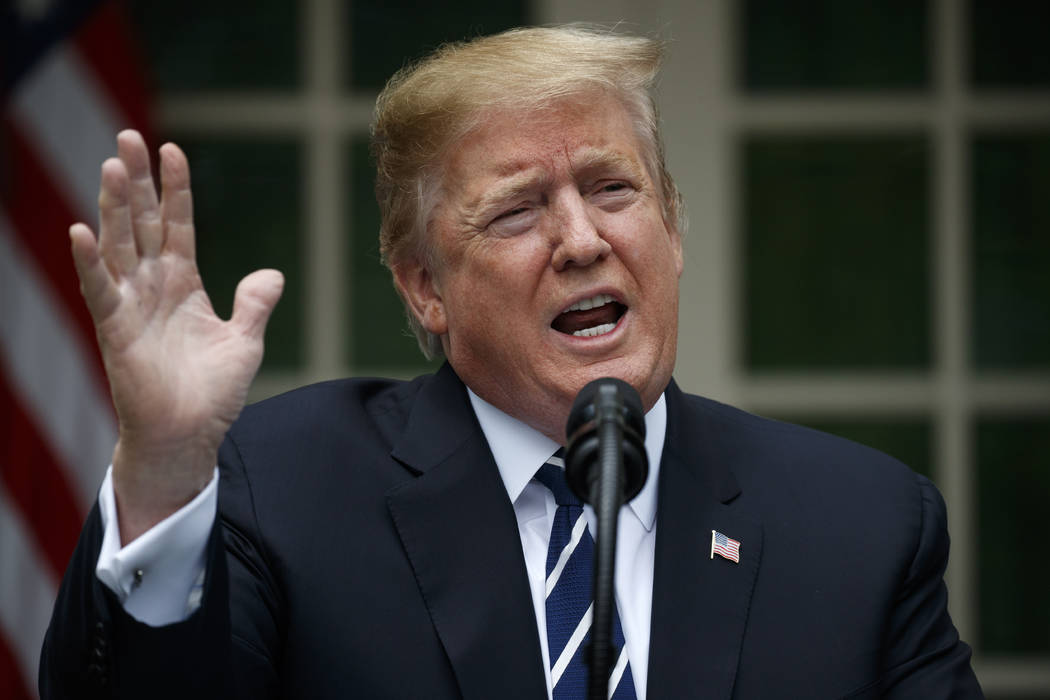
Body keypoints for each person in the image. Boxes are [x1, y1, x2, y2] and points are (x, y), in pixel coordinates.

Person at [40, 26, 983, 699]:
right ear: (424, 289)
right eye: (518, 210)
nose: (582, 240)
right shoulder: (278, 489)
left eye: (614, 188)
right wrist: (163, 468)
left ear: (674, 229)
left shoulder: (862, 527)